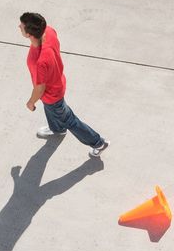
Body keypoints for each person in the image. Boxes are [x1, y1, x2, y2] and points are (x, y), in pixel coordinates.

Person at [19, 12, 109, 157]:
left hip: (52, 94)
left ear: (29, 34)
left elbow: (39, 88)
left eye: (21, 27)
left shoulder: (39, 61)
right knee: (51, 110)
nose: (19, 27)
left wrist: (31, 102)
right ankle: (58, 129)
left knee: (70, 121)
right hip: (57, 83)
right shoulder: (49, 31)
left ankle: (98, 142)